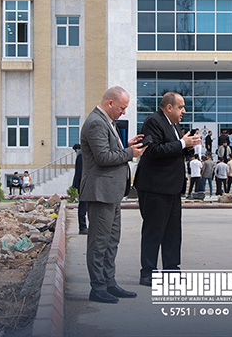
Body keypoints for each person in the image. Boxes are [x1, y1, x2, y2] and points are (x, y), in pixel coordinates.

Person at [79, 86, 145, 303]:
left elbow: (108, 149)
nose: (123, 112)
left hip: (111, 193)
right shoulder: (96, 122)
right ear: (110, 103)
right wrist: (130, 153)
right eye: (122, 108)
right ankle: (97, 287)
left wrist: (127, 145)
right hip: (100, 192)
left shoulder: (106, 121)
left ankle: (109, 282)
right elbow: (103, 157)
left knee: (111, 241)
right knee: (99, 242)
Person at [133, 92, 202, 287]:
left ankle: (172, 269)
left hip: (172, 187)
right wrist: (182, 143)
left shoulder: (174, 125)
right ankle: (148, 272)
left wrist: (188, 145)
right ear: (169, 107)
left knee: (173, 231)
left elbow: (173, 149)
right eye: (181, 107)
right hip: (154, 187)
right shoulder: (153, 121)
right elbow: (154, 150)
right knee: (154, 230)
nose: (184, 111)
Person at [71, 144, 88, 234]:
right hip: (83, 184)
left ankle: (84, 226)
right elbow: (81, 173)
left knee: (84, 205)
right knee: (83, 206)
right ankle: (82, 227)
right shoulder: (82, 155)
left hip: (83, 184)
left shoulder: (81, 154)